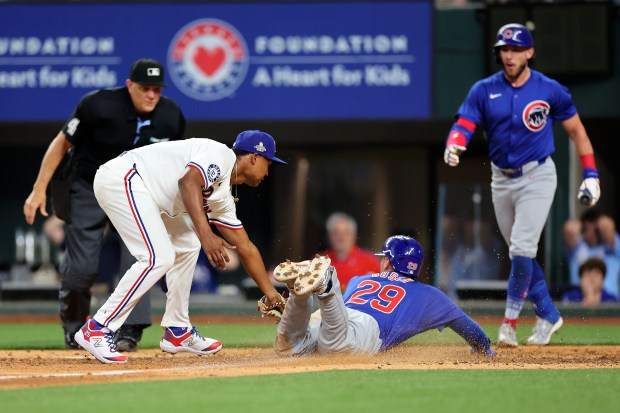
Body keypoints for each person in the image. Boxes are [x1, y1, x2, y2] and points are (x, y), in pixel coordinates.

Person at [443, 23, 601, 347]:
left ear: (529, 52)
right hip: (501, 179)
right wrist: (454, 143)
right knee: (521, 253)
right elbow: (464, 123)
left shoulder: (549, 89)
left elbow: (577, 132)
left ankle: (508, 324)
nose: (509, 55)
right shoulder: (484, 89)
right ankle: (549, 315)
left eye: (516, 49)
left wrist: (591, 174)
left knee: (520, 248)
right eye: (504, 49)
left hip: (538, 175)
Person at [74, 130, 287, 364]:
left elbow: (245, 247)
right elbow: (188, 182)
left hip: (146, 192)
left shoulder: (222, 198)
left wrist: (271, 294)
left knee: (188, 243)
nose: (268, 171)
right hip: (123, 177)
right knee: (158, 257)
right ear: (255, 157)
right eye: (269, 163)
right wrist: (207, 235)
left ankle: (177, 329)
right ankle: (98, 327)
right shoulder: (221, 155)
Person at [23, 58, 186, 351]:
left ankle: (129, 330)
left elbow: (177, 166)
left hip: (140, 191)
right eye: (145, 88)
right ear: (129, 85)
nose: (151, 94)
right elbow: (62, 143)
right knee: (82, 265)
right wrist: (38, 189)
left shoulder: (171, 115)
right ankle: (74, 328)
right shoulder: (98, 105)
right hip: (88, 185)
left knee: (143, 258)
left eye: (156, 89)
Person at [272, 235, 495, 356]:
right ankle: (328, 284)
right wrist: (483, 348)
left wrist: (298, 316)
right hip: (363, 333)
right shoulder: (430, 295)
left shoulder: (362, 280)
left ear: (387, 262)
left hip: (338, 320)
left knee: (290, 348)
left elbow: (334, 319)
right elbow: (472, 331)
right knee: (335, 347)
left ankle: (299, 296)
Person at [563, 210, 619, 298]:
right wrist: (582, 225)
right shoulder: (577, 248)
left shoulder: (612, 247)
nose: (591, 234)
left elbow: (606, 224)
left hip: (608, 302)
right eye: (586, 230)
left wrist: (598, 223)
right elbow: (569, 228)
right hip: (578, 300)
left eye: (595, 230)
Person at [319, 212, 380, 290]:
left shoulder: (369, 261)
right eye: (336, 233)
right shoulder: (319, 261)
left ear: (354, 236)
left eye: (346, 233)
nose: (341, 237)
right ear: (329, 236)